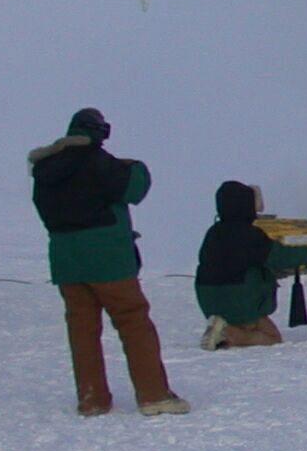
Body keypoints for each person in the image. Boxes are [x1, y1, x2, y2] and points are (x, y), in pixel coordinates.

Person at [29, 107, 188, 417]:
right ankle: (154, 394)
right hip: (108, 260)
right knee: (133, 321)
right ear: (100, 132)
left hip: (66, 261)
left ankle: (92, 399)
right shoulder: (101, 163)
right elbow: (135, 188)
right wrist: (135, 166)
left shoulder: (45, 169)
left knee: (82, 329)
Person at [194, 181, 307, 349]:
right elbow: (279, 256)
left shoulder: (213, 233)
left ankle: (220, 332)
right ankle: (228, 333)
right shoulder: (249, 235)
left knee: (254, 326)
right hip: (239, 300)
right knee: (271, 337)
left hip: (209, 300)